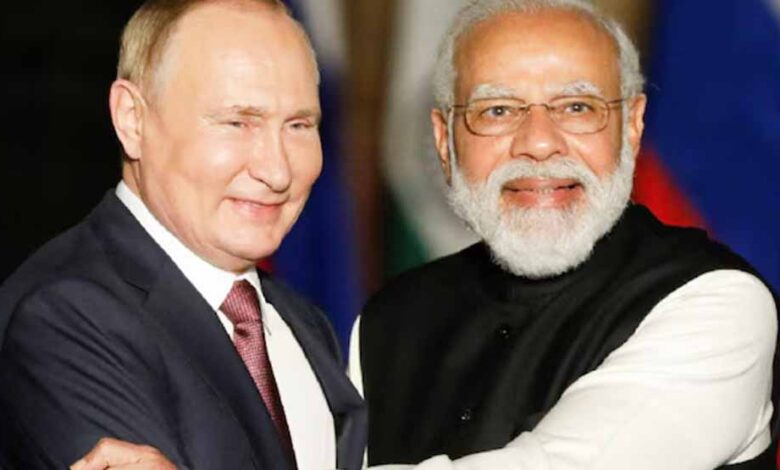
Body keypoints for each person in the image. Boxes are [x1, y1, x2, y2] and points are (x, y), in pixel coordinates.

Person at [351, 0, 778, 468]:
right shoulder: (385, 323)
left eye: (577, 107)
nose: (539, 142)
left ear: (632, 128)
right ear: (444, 141)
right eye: (497, 110)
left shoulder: (718, 302)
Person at [0, 1, 366, 469]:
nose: (277, 171)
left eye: (299, 125)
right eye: (237, 123)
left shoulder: (301, 323)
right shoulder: (65, 316)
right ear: (132, 119)